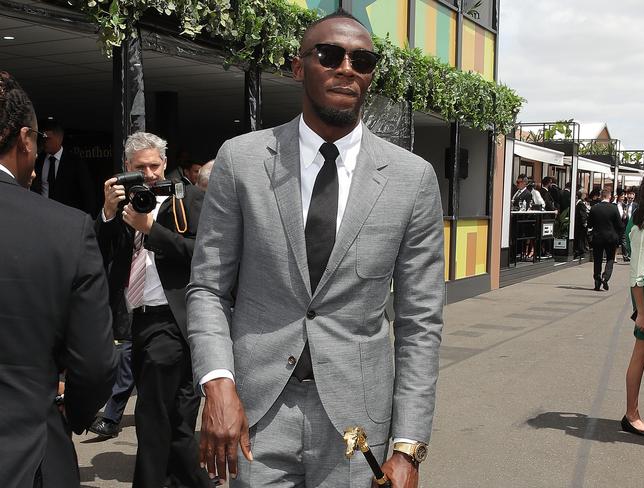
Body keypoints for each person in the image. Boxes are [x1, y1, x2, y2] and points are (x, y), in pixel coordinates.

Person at [187, 9, 444, 488]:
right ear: (298, 66)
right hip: (257, 411)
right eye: (330, 54)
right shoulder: (242, 160)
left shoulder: (412, 179)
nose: (347, 68)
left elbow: (420, 322)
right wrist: (218, 382)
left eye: (363, 60)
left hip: (357, 424)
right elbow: (207, 287)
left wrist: (409, 447)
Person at [0, 71, 116, 487]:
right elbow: (98, 361)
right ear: (26, 140)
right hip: (27, 451)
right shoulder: (65, 229)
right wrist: (76, 411)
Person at [96, 132, 210, 488]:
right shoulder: (123, 205)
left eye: (154, 165)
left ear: (165, 164)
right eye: (139, 167)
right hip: (137, 321)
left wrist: (152, 230)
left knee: (152, 417)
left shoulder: (188, 197)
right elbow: (98, 254)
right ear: (126, 169)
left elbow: (203, 254)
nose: (148, 174)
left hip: (173, 320)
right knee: (175, 422)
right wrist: (108, 213)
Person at [622, 172, 644, 437]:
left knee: (642, 354)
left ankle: (633, 414)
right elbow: (637, 274)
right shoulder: (643, 223)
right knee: (641, 354)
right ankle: (632, 415)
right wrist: (641, 311)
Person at [30, 119, 97, 215]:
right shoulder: (38, 160)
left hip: (68, 216)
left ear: (59, 138)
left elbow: (87, 193)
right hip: (42, 214)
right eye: (43, 138)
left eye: (47, 139)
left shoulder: (75, 162)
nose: (44, 142)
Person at [588, 188, 624, 291]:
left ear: (601, 196)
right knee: (610, 259)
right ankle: (605, 277)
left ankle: (597, 280)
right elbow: (620, 225)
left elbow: (589, 224)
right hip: (611, 238)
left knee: (597, 259)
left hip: (598, 237)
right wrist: (618, 234)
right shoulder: (614, 208)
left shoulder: (594, 208)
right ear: (609, 196)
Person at [574, 188, 589, 259]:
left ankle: (579, 251)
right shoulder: (580, 204)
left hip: (578, 225)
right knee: (580, 238)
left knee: (580, 238)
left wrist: (584, 222)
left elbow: (582, 214)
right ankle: (580, 251)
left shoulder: (579, 203)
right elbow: (583, 214)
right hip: (579, 225)